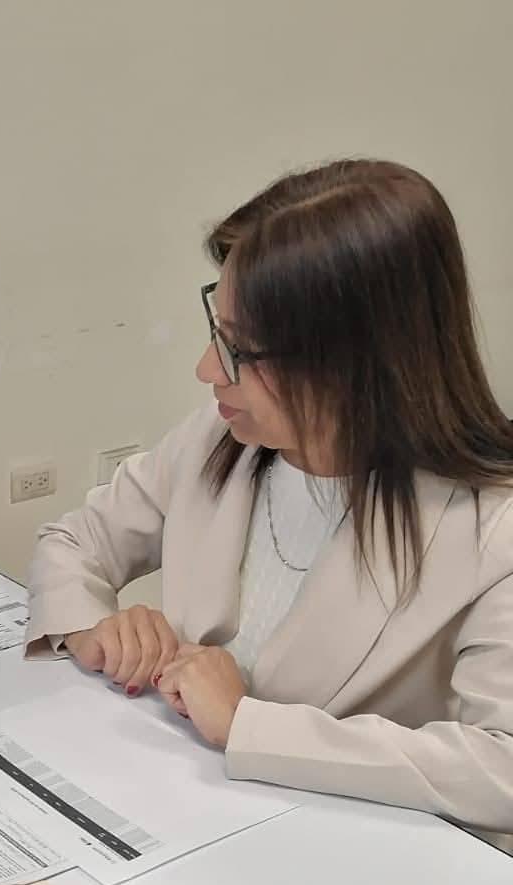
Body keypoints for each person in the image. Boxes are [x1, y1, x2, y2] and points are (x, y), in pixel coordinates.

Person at [27, 159, 513, 837]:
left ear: (357, 364)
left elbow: (500, 770)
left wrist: (250, 726)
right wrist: (92, 628)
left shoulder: (491, 524)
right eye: (217, 333)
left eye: (241, 350)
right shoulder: (219, 438)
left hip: (343, 854)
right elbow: (73, 542)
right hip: (176, 812)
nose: (207, 370)